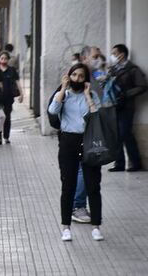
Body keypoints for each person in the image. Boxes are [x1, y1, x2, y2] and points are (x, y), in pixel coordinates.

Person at [48, 63, 103, 241]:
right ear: (69, 76)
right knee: (68, 185)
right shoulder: (63, 95)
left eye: (81, 76)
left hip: (88, 141)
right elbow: (52, 111)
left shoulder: (92, 95)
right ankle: (66, 228)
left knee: (93, 185)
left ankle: (96, 226)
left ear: (85, 79)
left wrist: (88, 96)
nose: (77, 79)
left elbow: (96, 116)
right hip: (68, 142)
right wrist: (63, 89)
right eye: (74, 75)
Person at [108, 44, 147, 172]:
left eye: (114, 53)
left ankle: (136, 163)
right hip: (115, 105)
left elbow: (142, 86)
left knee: (125, 134)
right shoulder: (113, 69)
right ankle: (119, 164)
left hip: (127, 106)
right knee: (116, 135)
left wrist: (126, 94)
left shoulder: (133, 69)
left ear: (122, 54)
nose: (112, 56)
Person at [0, 51, 23, 145]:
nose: (3, 60)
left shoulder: (12, 70)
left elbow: (17, 82)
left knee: (7, 117)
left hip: (8, 98)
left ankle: (6, 136)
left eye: (5, 58)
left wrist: (21, 94)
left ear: (8, 60)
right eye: (2, 58)